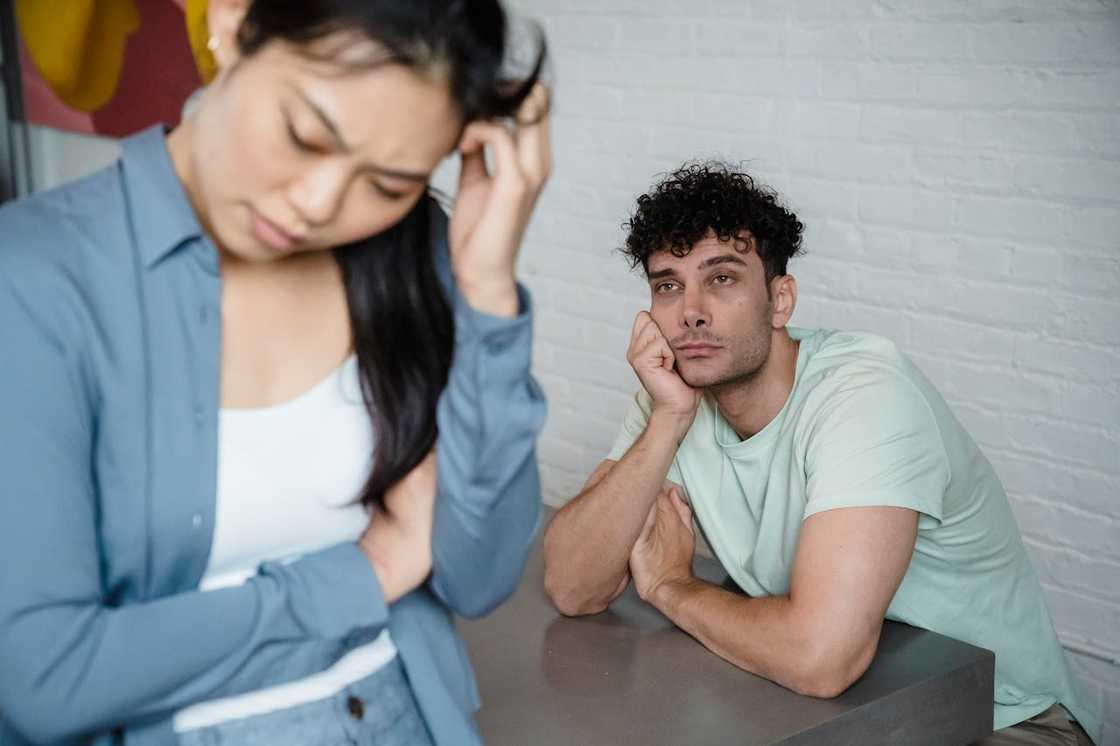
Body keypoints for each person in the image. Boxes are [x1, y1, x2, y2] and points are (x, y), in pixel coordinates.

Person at [0, 0, 550, 743]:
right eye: (304, 135)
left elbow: (478, 579)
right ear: (231, 22)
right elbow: (48, 679)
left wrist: (488, 294)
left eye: (388, 185)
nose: (319, 205)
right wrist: (367, 573)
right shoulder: (34, 275)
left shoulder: (421, 254)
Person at [542, 162, 1100, 746]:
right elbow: (572, 586)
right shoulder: (672, 398)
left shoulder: (864, 394)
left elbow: (819, 657)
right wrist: (667, 422)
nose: (691, 312)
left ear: (780, 300)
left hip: (1004, 719)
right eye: (668, 285)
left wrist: (668, 587)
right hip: (841, 717)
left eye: (723, 278)